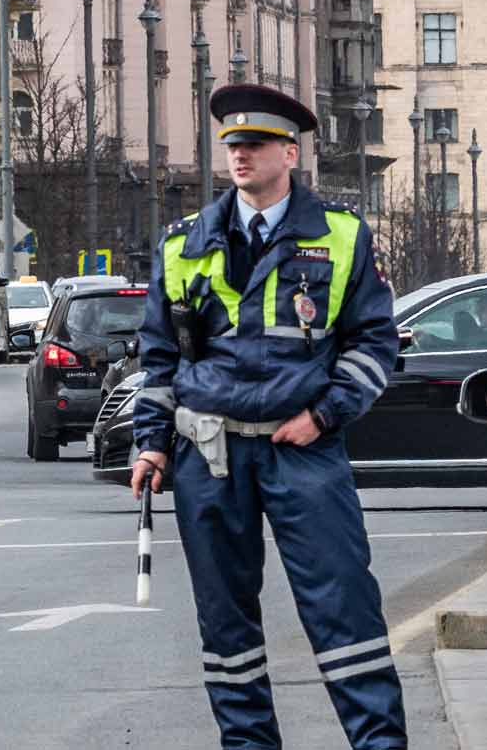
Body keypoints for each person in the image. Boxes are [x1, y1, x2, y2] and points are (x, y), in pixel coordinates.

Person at [126, 84, 404, 750]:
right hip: (209, 453)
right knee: (226, 631)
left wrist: (326, 413)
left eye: (253, 145)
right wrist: (151, 444)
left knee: (344, 611)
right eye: (232, 146)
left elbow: (374, 344)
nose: (239, 156)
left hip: (301, 448)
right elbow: (159, 356)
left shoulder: (341, 237)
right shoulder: (182, 246)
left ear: (290, 151)